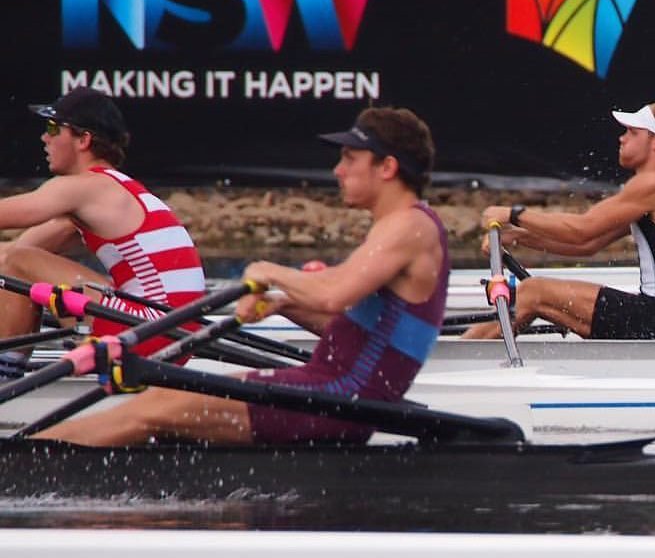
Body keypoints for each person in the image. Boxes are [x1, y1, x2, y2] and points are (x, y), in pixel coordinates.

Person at [36, 106, 448, 446]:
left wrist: (267, 271)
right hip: (332, 391)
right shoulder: (402, 227)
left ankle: (28, 463)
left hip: (340, 400)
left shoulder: (408, 227)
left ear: (388, 167)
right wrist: (286, 305)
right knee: (164, 401)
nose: (338, 170)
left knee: (152, 409)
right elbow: (360, 329)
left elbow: (334, 294)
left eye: (350, 159)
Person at [462, 102, 655, 340]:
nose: (622, 138)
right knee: (532, 293)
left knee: (533, 291)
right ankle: (474, 349)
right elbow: (586, 247)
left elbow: (581, 230)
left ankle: (463, 358)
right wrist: (520, 236)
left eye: (631, 132)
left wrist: (514, 214)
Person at [0, 87, 205, 381]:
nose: (44, 138)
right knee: (16, 262)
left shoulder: (86, 186)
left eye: (53, 128)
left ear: (84, 140)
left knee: (19, 260)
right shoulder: (110, 192)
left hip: (146, 330)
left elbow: (15, 248)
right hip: (176, 333)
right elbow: (10, 258)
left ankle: (5, 379)